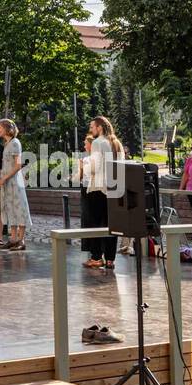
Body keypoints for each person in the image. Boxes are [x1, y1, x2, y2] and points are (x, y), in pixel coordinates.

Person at [83, 115, 125, 270]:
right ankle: (110, 259)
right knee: (111, 224)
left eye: (92, 127)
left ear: (99, 127)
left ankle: (96, 257)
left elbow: (95, 167)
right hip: (113, 189)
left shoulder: (98, 142)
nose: (91, 130)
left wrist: (85, 165)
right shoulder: (117, 143)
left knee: (95, 224)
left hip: (98, 188)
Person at [0, 120, 31, 252]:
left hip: (14, 182)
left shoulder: (15, 143)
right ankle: (13, 239)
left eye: (0, 128)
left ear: (6, 129)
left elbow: (17, 165)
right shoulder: (8, 143)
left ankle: (21, 240)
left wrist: (3, 178)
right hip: (8, 182)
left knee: (19, 208)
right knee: (11, 209)